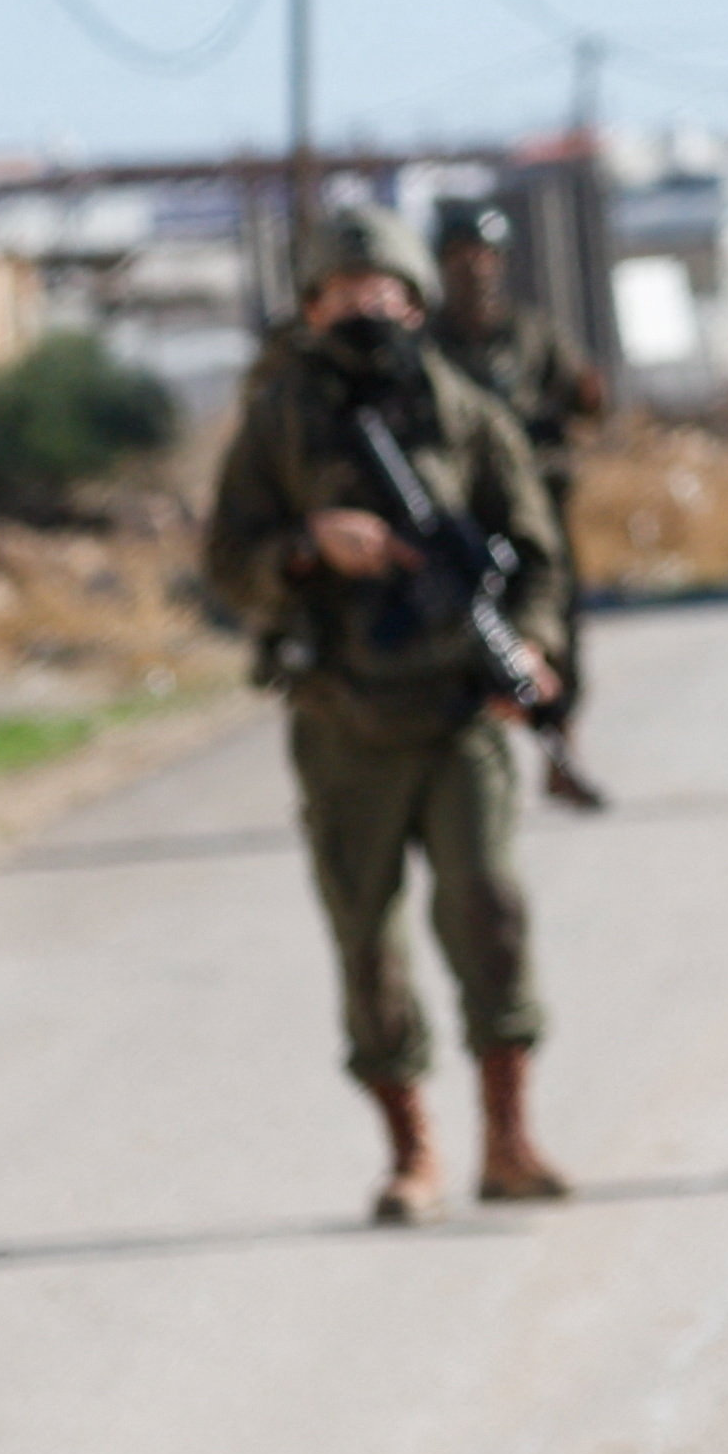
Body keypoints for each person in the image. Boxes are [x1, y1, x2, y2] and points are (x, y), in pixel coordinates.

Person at [206, 203, 574, 1225]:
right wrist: (308, 545)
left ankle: (509, 1138)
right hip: (344, 720)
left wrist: (531, 644)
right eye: (341, 291)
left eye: (383, 289)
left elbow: (535, 550)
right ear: (312, 306)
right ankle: (412, 1152)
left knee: (489, 914)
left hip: (458, 713)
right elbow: (225, 563)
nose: (363, 306)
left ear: (414, 302)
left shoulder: (466, 411)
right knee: (367, 942)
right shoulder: (278, 421)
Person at [432, 197, 610, 808]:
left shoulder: (531, 333)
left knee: (554, 625)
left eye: (484, 255)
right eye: (462, 256)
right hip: (458, 514)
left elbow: (582, 400)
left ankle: (562, 750)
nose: (475, 268)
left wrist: (590, 395)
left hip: (536, 506)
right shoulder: (429, 344)